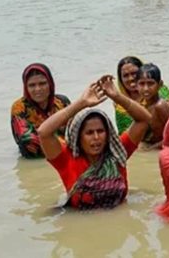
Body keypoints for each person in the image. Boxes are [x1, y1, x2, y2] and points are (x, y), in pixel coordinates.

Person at [37, 75, 151, 210]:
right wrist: (81, 103)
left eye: (100, 131)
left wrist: (117, 97)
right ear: (78, 137)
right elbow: (43, 132)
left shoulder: (117, 152)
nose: (96, 137)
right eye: (89, 133)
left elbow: (145, 119)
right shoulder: (67, 159)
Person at [11, 63, 71, 158]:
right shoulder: (19, 107)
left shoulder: (62, 102)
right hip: (35, 156)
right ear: (26, 88)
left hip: (64, 151)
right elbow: (27, 139)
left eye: (42, 83)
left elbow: (76, 128)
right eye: (32, 85)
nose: (38, 89)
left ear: (50, 84)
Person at [115, 56, 169, 134]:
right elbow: (123, 134)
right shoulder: (121, 106)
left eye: (134, 73)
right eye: (126, 75)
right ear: (121, 79)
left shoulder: (159, 89)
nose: (130, 78)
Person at [137, 63, 169, 149]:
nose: (146, 88)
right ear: (136, 85)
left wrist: (150, 150)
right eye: (142, 84)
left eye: (150, 83)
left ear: (160, 84)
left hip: (161, 150)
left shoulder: (160, 106)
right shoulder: (143, 105)